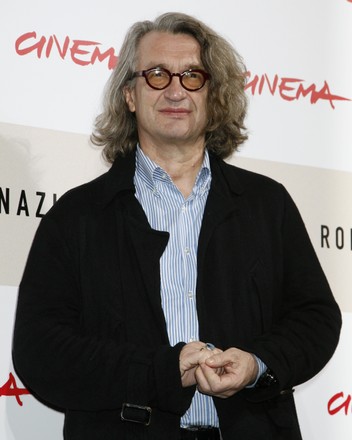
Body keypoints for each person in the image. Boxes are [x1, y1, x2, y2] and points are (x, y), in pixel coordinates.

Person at [13, 11, 341, 440]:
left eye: (192, 76)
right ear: (129, 95)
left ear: (213, 95)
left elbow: (316, 318)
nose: (174, 89)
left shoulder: (267, 204)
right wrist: (159, 372)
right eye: (156, 74)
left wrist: (258, 363)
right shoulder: (77, 216)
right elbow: (41, 352)